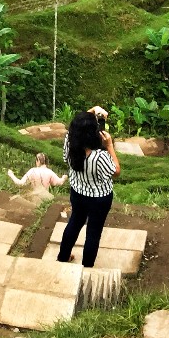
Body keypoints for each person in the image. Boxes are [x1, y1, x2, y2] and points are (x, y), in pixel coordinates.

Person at [57, 109, 119, 268]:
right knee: (93, 232)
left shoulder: (69, 142)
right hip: (99, 199)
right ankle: (87, 267)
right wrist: (110, 145)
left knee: (75, 222)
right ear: (92, 133)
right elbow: (116, 171)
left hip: (78, 192)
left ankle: (63, 257)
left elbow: (77, 125)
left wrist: (93, 110)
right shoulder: (99, 156)